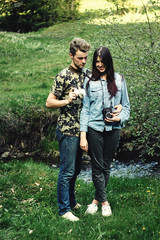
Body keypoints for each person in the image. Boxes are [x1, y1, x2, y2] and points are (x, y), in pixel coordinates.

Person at [80, 47, 130, 217]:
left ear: (109, 62)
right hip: (94, 128)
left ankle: (95, 201)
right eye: (97, 62)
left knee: (106, 166)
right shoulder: (89, 81)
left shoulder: (120, 80)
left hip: (114, 129)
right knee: (97, 166)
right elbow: (85, 110)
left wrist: (119, 118)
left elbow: (127, 108)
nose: (100, 65)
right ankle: (105, 203)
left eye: (103, 62)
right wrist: (83, 135)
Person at [46, 38, 91, 221]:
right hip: (67, 129)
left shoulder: (87, 73)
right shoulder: (63, 75)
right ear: (71, 55)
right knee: (67, 171)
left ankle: (72, 202)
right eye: (80, 58)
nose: (83, 61)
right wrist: (67, 100)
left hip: (83, 130)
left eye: (86, 57)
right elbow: (49, 102)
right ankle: (64, 210)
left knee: (77, 169)